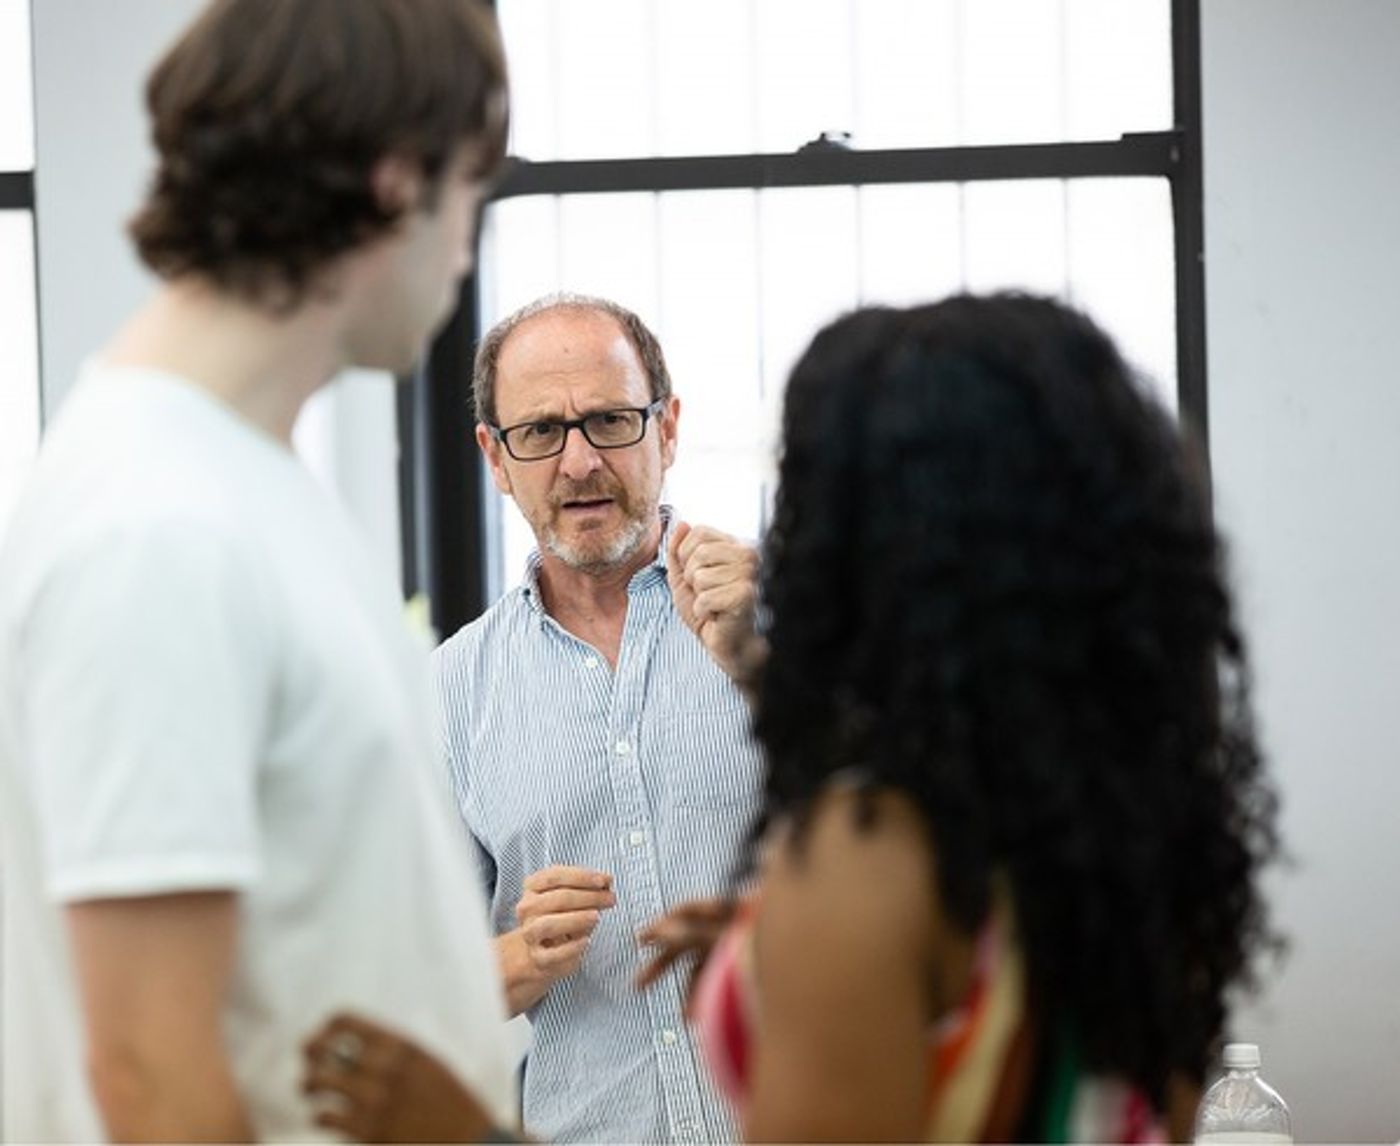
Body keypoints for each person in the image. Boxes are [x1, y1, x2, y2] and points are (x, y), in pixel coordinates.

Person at [302, 294, 1282, 1144]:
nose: (578, 460)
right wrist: (779, 941)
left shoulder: (857, 862)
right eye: (541, 433)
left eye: (823, 487)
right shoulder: (1135, 847)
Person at [0, 1, 518, 1140]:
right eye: (469, 195)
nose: (467, 245)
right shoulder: (154, 524)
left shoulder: (244, 477)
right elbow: (150, 1075)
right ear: (395, 180)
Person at [431, 293, 766, 1142]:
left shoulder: (791, 619)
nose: (579, 461)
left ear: (669, 428)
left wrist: (769, 671)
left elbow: (925, 856)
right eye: (540, 432)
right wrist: (515, 958)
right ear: (495, 458)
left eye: (611, 420)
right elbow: (411, 990)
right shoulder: (451, 692)